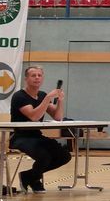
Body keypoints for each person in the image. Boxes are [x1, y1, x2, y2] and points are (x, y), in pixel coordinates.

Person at [9, 65, 71, 193]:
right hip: (20, 136)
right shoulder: (19, 96)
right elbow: (34, 116)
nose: (37, 78)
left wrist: (60, 101)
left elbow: (58, 117)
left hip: (36, 135)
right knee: (44, 156)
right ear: (26, 79)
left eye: (39, 75)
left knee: (64, 156)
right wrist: (48, 98)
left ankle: (29, 176)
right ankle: (34, 180)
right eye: (33, 75)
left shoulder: (42, 95)